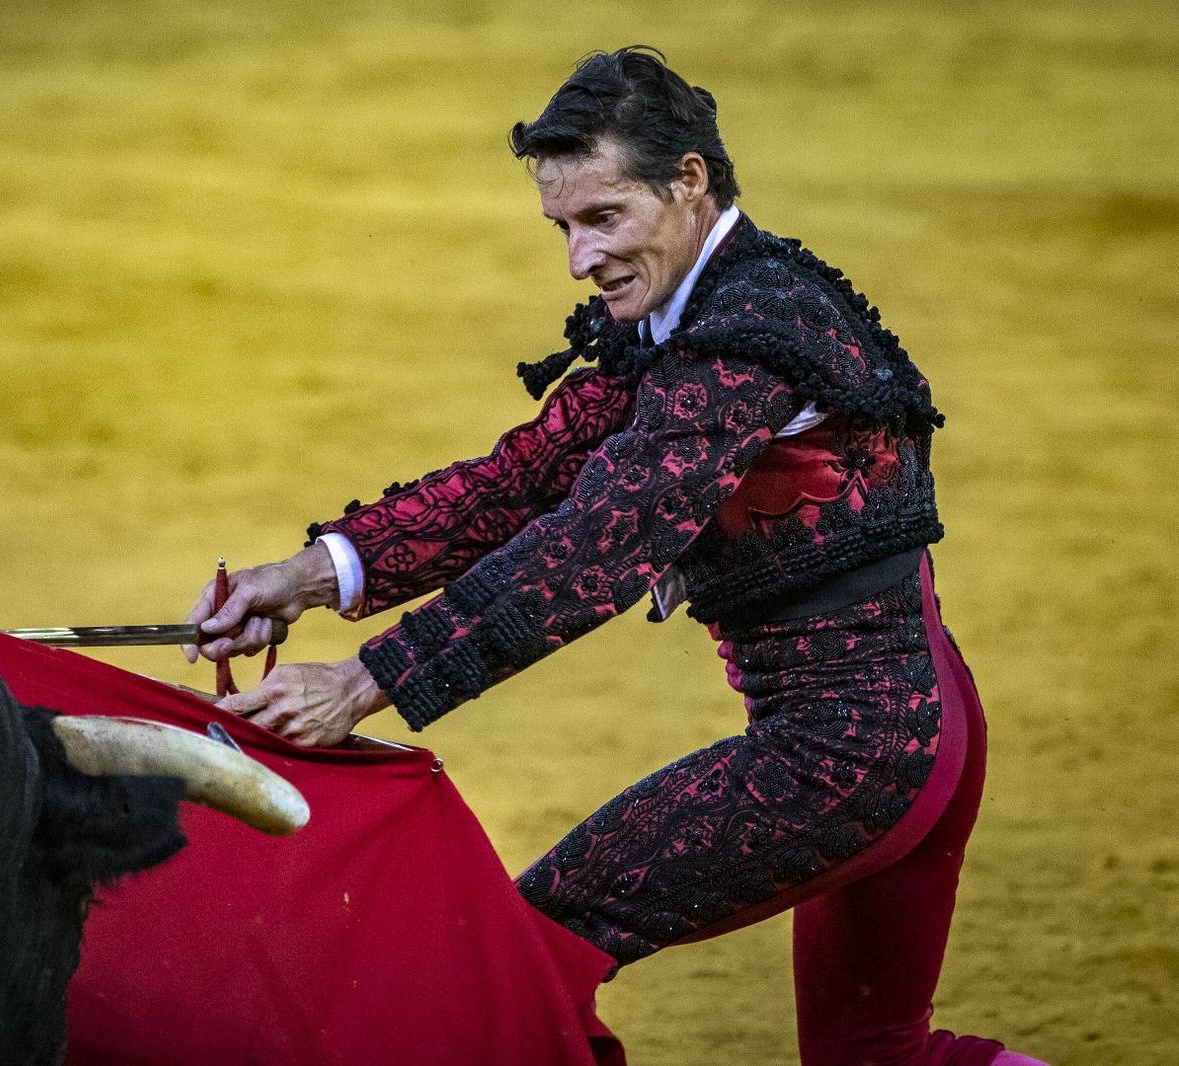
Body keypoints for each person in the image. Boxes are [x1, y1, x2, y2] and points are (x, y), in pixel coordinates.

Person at [184, 47, 1044, 1066]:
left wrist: (364, 682)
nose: (578, 259)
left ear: (688, 180)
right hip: (919, 724)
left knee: (512, 968)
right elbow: (524, 479)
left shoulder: (739, 337)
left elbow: (598, 541)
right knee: (877, 1059)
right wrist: (307, 575)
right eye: (563, 226)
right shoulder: (717, 306)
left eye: (603, 218)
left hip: (842, 755)